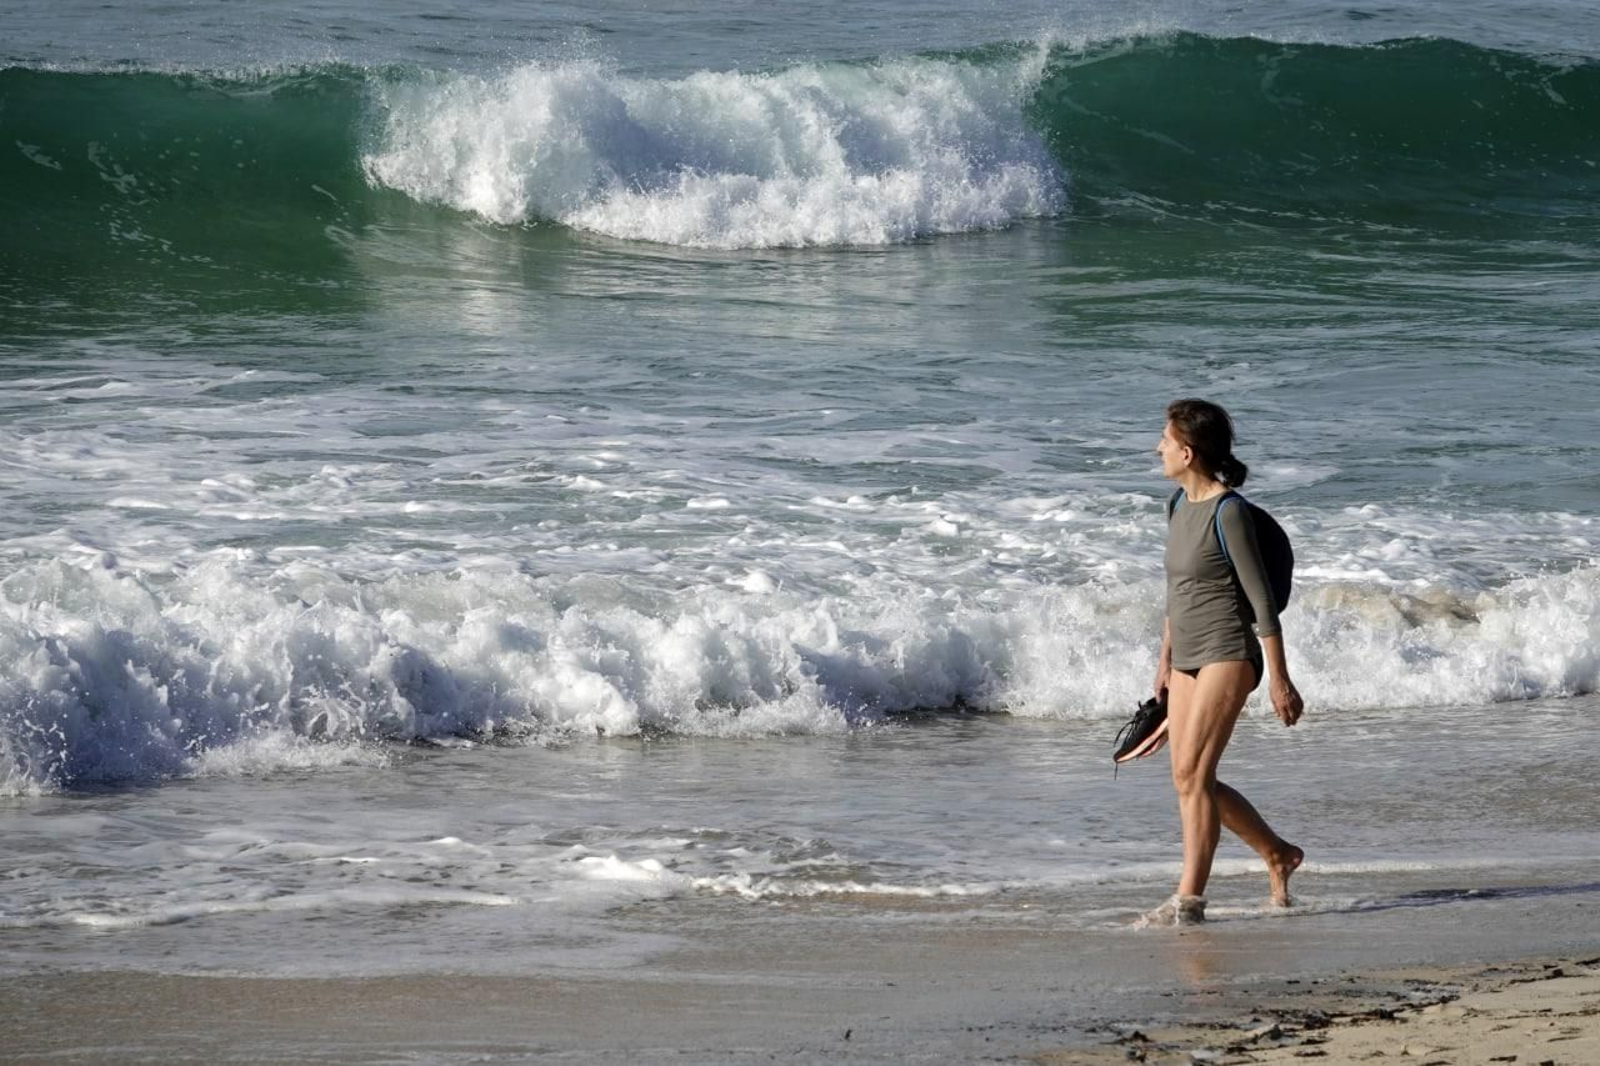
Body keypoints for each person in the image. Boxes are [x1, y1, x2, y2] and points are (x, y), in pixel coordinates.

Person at [1142, 398, 1305, 927]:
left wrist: (1280, 679)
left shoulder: (1227, 512)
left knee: (1194, 774)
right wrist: (1164, 661)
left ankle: (1188, 901)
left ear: (1188, 452)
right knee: (1189, 778)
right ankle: (1278, 853)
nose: (1158, 448)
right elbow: (1177, 592)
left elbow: (1262, 602)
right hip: (1187, 655)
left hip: (1229, 651)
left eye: (1165, 440)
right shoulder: (1176, 505)